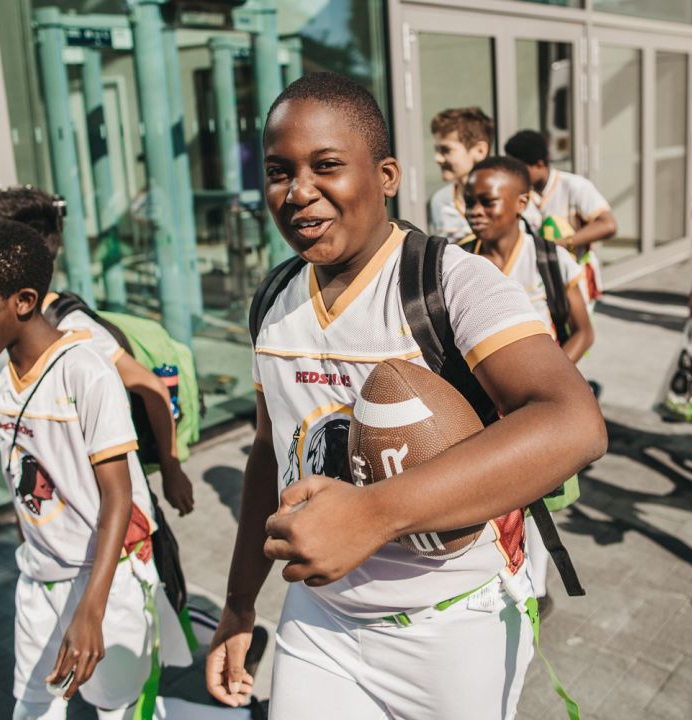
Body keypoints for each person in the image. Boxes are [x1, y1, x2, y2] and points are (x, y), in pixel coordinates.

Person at [204, 73, 606, 718]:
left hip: (455, 625)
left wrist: (374, 514)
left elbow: (574, 422)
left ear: (386, 174)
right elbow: (266, 451)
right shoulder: (274, 298)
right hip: (320, 618)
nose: (299, 191)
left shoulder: (450, 282)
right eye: (279, 171)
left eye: (327, 166)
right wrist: (239, 602)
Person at [0, 220, 168, 718]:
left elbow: (118, 495)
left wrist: (93, 607)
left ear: (22, 302)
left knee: (121, 708)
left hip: (107, 581)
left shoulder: (85, 372)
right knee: (32, 706)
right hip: (39, 579)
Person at [460, 156, 596, 618]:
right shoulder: (457, 259)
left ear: (521, 203)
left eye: (486, 201)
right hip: (478, 404)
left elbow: (582, 330)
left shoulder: (549, 260)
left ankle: (535, 588)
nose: (474, 210)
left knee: (538, 493)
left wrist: (547, 387)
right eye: (468, 200)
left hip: (535, 404)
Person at [503, 129, 617, 307]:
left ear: (539, 164)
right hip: (540, 276)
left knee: (577, 327)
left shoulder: (575, 186)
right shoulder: (520, 191)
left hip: (575, 273)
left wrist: (560, 244)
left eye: (518, 168)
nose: (513, 174)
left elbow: (608, 225)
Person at [428, 107, 494, 242]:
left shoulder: (506, 197)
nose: (438, 158)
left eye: (446, 150)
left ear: (479, 151)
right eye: (437, 150)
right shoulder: (439, 201)